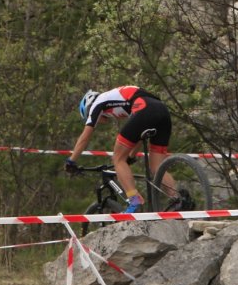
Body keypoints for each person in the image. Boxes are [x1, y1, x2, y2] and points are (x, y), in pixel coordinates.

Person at [65, 85, 177, 213]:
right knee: (156, 166)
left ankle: (134, 201)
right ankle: (178, 199)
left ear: (88, 108)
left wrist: (71, 161)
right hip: (162, 111)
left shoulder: (97, 104)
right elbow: (139, 136)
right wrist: (131, 156)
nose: (100, 121)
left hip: (145, 108)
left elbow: (84, 138)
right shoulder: (118, 102)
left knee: (117, 159)